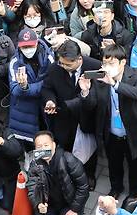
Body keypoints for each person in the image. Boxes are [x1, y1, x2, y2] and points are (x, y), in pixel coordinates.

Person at [81, 44, 137, 201]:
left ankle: (135, 193)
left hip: (132, 132)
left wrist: (115, 84)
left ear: (123, 62)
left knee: (135, 165)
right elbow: (91, 105)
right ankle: (116, 188)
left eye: (111, 63)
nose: (107, 67)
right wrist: (85, 91)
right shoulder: (100, 79)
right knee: (114, 164)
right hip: (111, 132)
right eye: (105, 63)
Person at [41, 39, 101, 188]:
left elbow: (98, 95)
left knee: (90, 149)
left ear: (79, 59)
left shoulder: (94, 67)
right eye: (61, 63)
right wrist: (50, 101)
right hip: (63, 118)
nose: (64, 67)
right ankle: (70, 174)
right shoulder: (56, 68)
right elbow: (47, 88)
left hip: (86, 117)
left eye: (68, 64)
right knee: (66, 147)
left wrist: (72, 104)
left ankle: (89, 175)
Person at [26, 131, 89, 215]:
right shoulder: (35, 164)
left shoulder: (68, 159)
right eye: (39, 147)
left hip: (67, 203)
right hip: (48, 204)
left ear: (54, 145)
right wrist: (38, 204)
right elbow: (32, 187)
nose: (43, 149)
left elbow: (83, 187)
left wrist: (74, 209)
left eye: (46, 145)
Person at [8, 29, 54, 146]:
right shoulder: (15, 62)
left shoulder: (48, 57)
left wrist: (28, 88)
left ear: (37, 43)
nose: (28, 49)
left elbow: (52, 83)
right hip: (25, 111)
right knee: (32, 145)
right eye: (24, 47)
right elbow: (14, 89)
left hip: (46, 105)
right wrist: (23, 87)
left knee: (49, 140)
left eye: (30, 45)